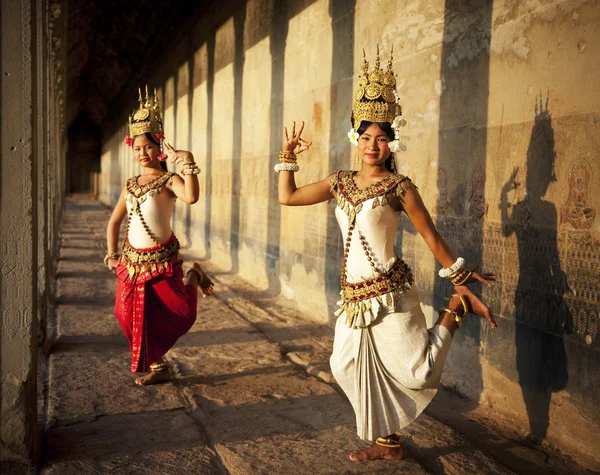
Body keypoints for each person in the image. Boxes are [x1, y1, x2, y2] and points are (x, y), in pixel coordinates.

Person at [277, 49, 498, 461]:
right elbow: (288, 197)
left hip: (390, 292)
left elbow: (432, 238)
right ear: (355, 140)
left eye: (380, 138)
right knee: (345, 366)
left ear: (391, 140)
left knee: (418, 370)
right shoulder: (339, 182)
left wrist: (462, 282)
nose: (372, 145)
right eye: (365, 137)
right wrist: (287, 155)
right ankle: (388, 443)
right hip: (352, 299)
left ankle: (455, 309)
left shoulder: (400, 187)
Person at [105, 86, 214, 386]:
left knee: (180, 312)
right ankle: (158, 365)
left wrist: (188, 161)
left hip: (162, 261)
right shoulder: (130, 184)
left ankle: (193, 276)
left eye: (149, 147)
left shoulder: (169, 180)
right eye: (138, 149)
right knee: (125, 313)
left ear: (160, 148)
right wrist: (111, 255)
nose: (143, 154)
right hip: (130, 262)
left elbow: (191, 197)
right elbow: (114, 221)